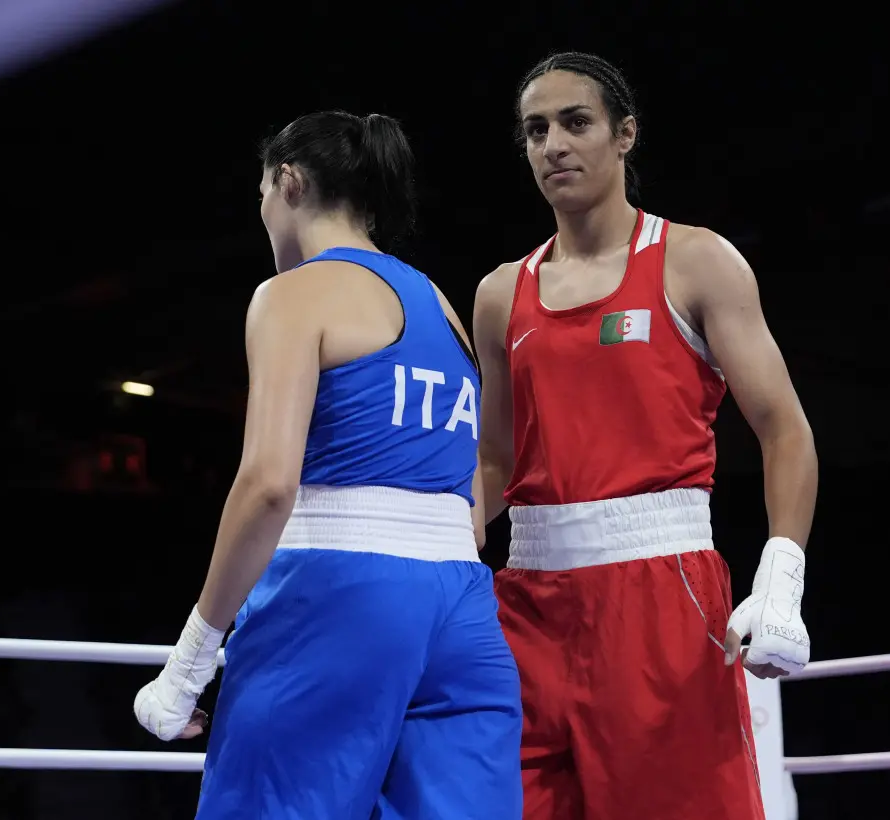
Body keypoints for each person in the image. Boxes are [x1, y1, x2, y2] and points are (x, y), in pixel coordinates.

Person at [134, 110, 523, 820]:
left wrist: (190, 661)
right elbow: (470, 514)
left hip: (340, 595)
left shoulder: (293, 294)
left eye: (260, 192)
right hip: (463, 611)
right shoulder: (440, 305)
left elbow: (268, 484)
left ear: (288, 181)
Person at [473, 52, 819, 820]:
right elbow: (496, 459)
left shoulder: (697, 261)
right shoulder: (501, 293)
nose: (553, 144)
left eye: (575, 122)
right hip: (525, 605)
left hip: (662, 594)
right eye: (536, 130)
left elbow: (784, 428)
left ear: (625, 134)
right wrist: (427, 548)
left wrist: (781, 580)